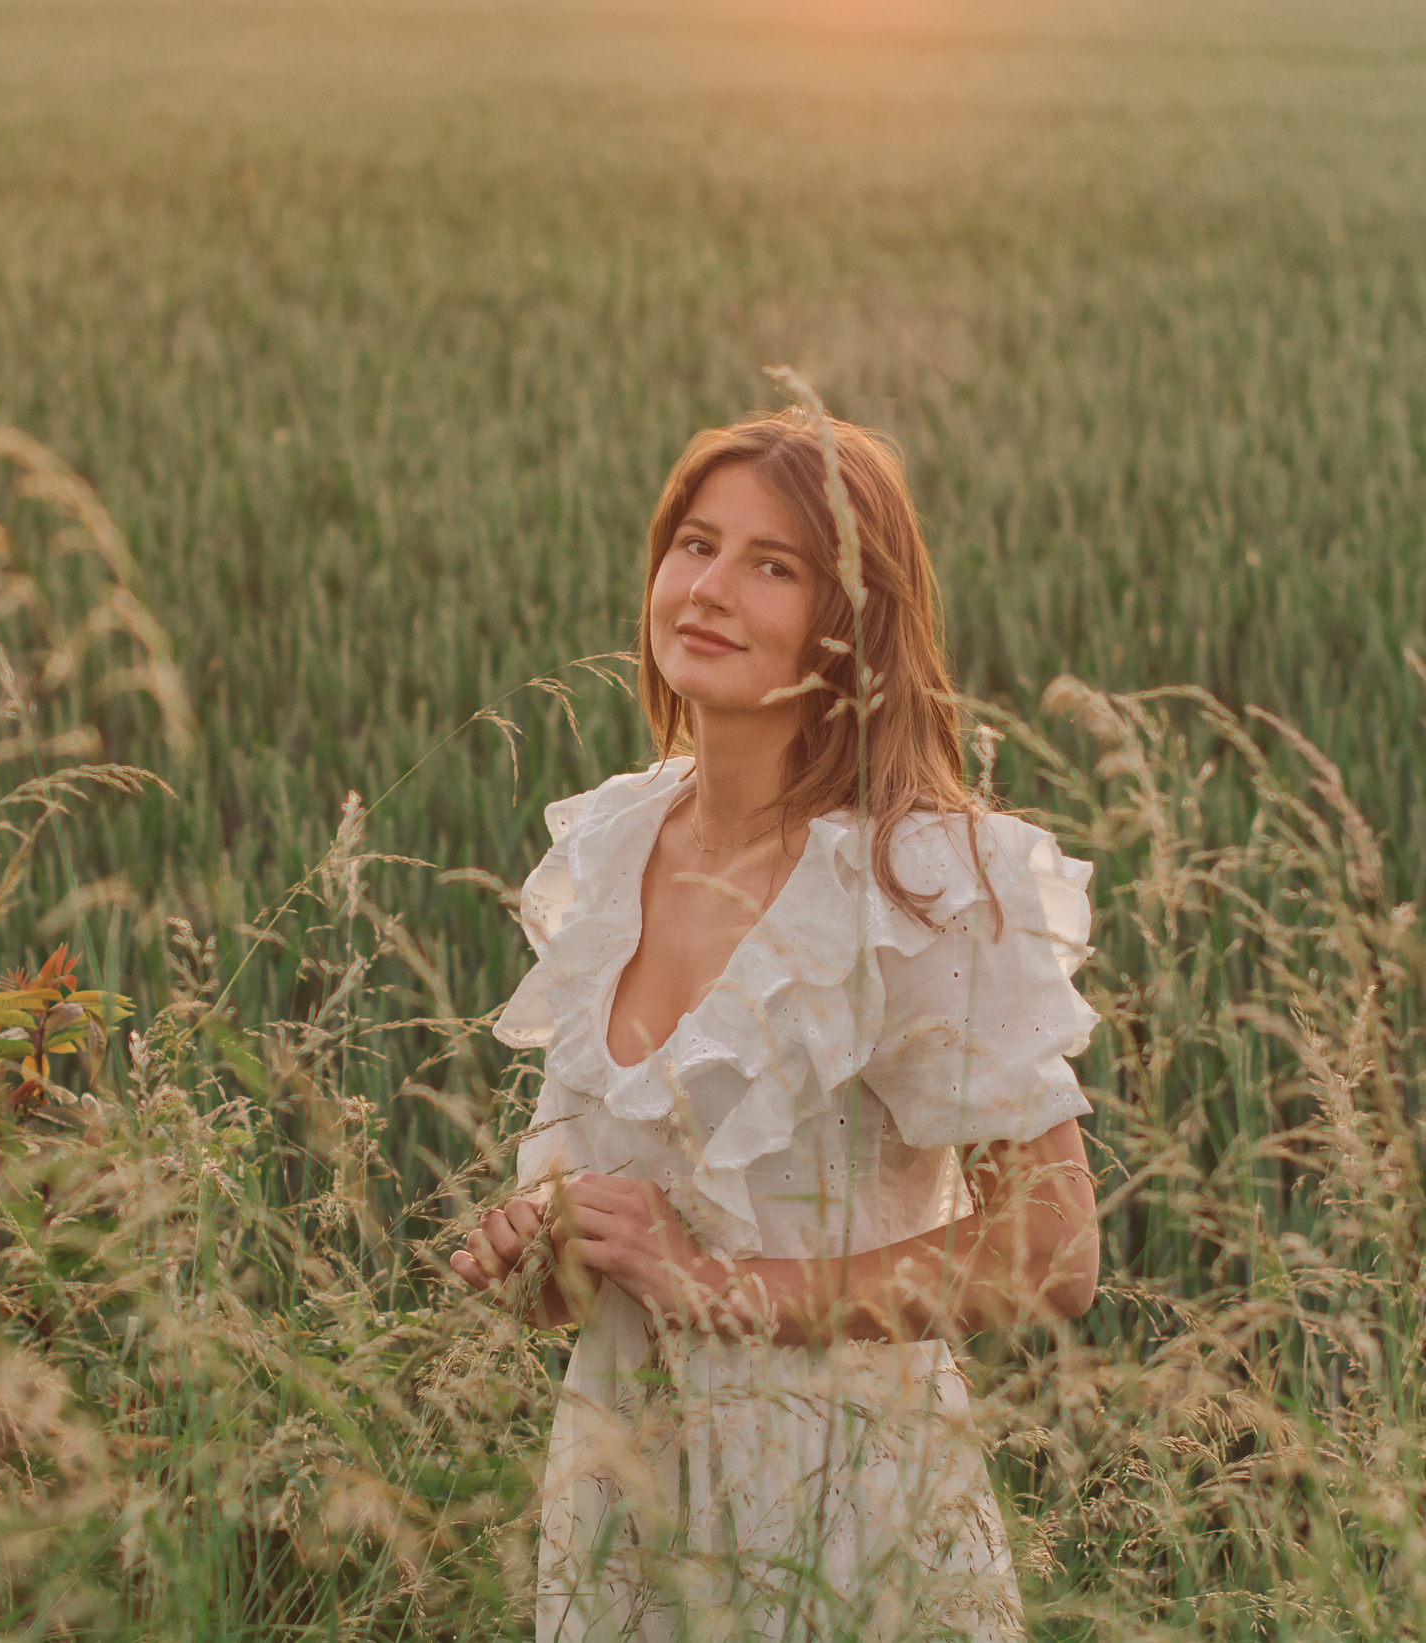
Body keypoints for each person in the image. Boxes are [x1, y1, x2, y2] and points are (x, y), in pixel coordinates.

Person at [450, 407, 1102, 1643]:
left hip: (842, 1507)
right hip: (619, 1505)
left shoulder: (916, 885)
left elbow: (1051, 1253)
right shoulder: (610, 846)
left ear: (849, 624)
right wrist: (546, 1246)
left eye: (772, 566)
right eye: (695, 544)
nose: (707, 588)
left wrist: (724, 1287)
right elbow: (592, 1281)